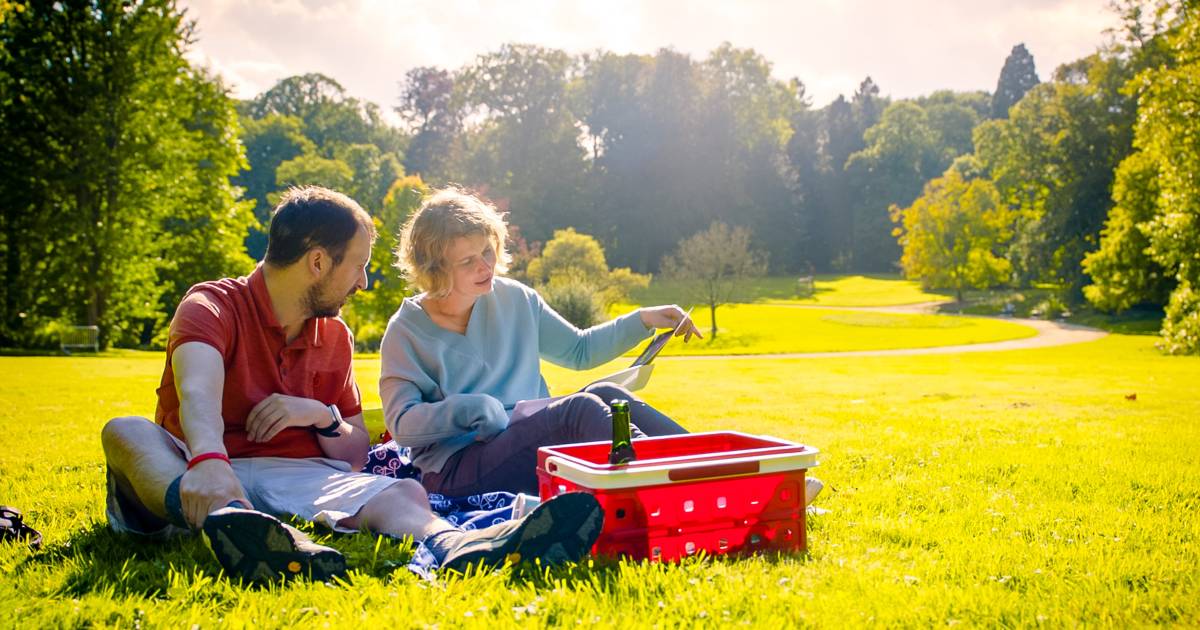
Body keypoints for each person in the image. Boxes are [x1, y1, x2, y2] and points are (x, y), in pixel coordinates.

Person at [100, 186, 604, 583]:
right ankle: (230, 520)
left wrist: (319, 415)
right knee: (124, 431)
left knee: (403, 490)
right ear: (317, 263)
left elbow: (355, 451)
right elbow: (197, 389)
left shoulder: (335, 336)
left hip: (296, 473)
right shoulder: (212, 306)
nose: (363, 282)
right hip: (189, 469)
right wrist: (209, 460)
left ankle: (460, 546)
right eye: (358, 266)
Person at [379, 187, 701, 498]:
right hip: (456, 467)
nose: (485, 266)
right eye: (468, 262)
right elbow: (402, 424)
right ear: (434, 270)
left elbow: (579, 350)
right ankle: (668, 486)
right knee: (579, 409)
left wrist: (644, 320)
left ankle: (712, 465)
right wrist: (470, 409)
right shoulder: (406, 331)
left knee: (608, 396)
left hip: (526, 441)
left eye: (487, 251)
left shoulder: (516, 299)